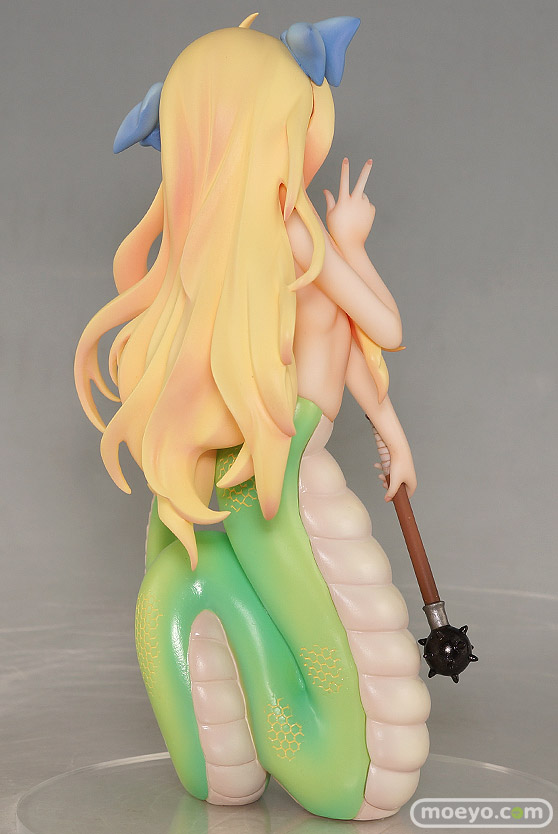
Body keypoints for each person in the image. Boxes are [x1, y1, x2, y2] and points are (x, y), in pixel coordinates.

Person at [75, 16, 430, 821]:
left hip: (255, 468)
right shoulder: (294, 232)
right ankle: (290, 750)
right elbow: (381, 324)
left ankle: (226, 755)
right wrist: (353, 244)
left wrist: (392, 431)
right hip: (280, 473)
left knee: (229, 598)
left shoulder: (238, 244)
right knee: (364, 731)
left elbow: (337, 341)